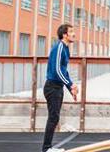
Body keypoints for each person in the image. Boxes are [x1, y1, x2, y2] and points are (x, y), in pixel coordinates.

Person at [42, 24, 79, 152]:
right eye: (71, 32)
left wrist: (71, 88)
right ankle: (47, 148)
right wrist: (70, 85)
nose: (74, 34)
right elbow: (57, 70)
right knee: (53, 117)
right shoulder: (59, 48)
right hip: (52, 87)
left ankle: (48, 148)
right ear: (65, 35)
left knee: (55, 117)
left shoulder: (66, 49)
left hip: (58, 87)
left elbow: (64, 71)